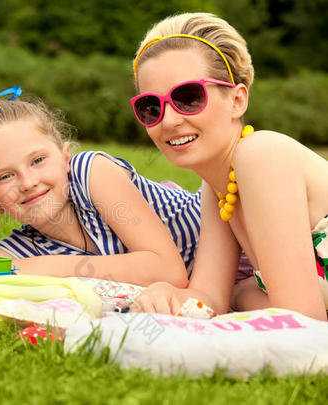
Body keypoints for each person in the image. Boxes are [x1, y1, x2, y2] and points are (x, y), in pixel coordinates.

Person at [128, 13, 328, 320]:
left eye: (189, 97)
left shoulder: (262, 155)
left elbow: (302, 323)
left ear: (237, 100)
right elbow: (208, 300)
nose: (168, 120)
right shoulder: (219, 189)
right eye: (151, 107)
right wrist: (165, 296)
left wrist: (246, 296)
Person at [0, 86, 201, 286]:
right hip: (223, 289)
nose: (28, 183)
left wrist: (40, 267)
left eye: (38, 160)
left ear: (65, 157)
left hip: (233, 232)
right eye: (4, 176)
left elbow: (169, 272)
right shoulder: (25, 249)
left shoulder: (91, 173)